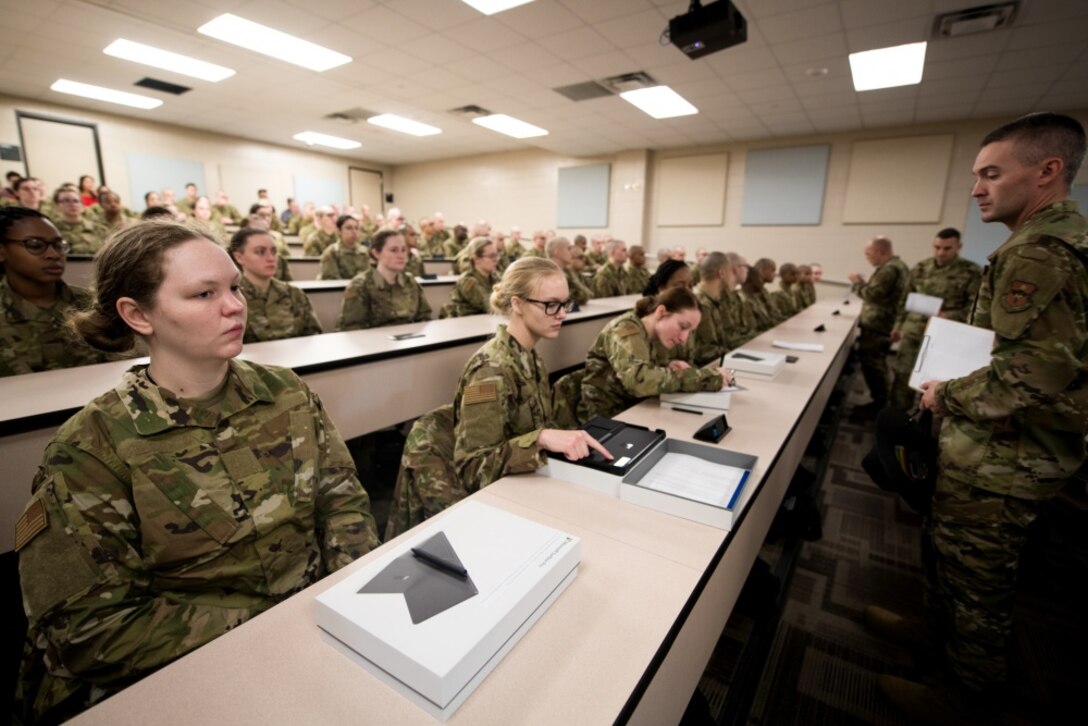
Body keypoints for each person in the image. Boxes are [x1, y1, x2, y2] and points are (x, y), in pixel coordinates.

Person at [14, 221, 380, 722]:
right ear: (138, 314)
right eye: (204, 294)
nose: (234, 306)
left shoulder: (285, 391)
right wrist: (273, 626)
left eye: (234, 287)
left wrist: (352, 597)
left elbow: (342, 502)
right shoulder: (91, 447)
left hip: (319, 631)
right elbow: (85, 631)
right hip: (196, 669)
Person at [871, 113, 1088, 723]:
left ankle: (964, 695)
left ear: (1047, 172)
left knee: (978, 582)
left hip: (1005, 456)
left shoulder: (1042, 253)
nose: (976, 189)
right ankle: (934, 639)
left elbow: (1034, 374)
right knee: (952, 558)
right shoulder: (1040, 243)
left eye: (991, 174)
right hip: (999, 447)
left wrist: (948, 394)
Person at [454, 257, 611, 490]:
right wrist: (539, 439)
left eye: (564, 304)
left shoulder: (530, 357)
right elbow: (472, 468)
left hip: (528, 480)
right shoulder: (490, 371)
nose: (562, 314)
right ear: (517, 304)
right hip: (501, 494)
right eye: (550, 304)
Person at [579, 286, 733, 421]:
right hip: (607, 416)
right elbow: (639, 381)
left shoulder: (656, 336)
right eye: (682, 326)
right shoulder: (625, 329)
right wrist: (706, 377)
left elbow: (641, 366)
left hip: (635, 408)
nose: (684, 339)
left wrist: (666, 365)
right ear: (661, 312)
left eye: (690, 331)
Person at [0, 207, 112, 376]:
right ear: (2, 251)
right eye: (35, 245)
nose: (53, 254)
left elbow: (124, 369)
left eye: (59, 245)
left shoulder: (93, 305)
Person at [888, 228, 982, 410]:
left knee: (935, 383)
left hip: (945, 335)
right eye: (937, 247)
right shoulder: (921, 268)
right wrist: (898, 325)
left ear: (958, 247)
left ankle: (924, 425)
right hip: (914, 332)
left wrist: (950, 315)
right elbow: (905, 299)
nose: (941, 252)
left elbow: (976, 307)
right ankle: (898, 418)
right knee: (902, 375)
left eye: (947, 248)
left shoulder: (971, 272)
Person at [848, 236, 910, 416]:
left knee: (874, 365)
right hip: (884, 323)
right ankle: (882, 403)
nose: (867, 258)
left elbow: (873, 294)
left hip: (878, 325)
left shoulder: (889, 269)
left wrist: (857, 282)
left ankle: (880, 405)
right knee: (877, 364)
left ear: (879, 251)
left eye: (868, 254)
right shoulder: (899, 266)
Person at [229, 227, 321, 342]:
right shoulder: (231, 297)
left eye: (274, 251)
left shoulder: (294, 293)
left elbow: (313, 335)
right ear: (239, 257)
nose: (271, 258)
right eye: (260, 252)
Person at [337, 228, 431, 330]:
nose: (401, 256)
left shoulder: (410, 282)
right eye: (394, 250)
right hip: (375, 344)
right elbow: (352, 328)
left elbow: (424, 318)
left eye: (404, 250)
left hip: (410, 341)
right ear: (376, 253)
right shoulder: (360, 285)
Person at [691, 251, 746, 365]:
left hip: (718, 361)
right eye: (731, 272)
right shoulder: (700, 303)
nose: (733, 276)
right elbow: (705, 350)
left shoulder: (716, 300)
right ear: (721, 273)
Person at [442, 237, 501, 318]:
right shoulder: (468, 281)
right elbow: (490, 306)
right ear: (476, 259)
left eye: (496, 255)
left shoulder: (494, 277)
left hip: (488, 321)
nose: (496, 260)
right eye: (491, 256)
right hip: (470, 326)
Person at [50, 186, 106, 254]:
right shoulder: (50, 231)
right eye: (66, 201)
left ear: (82, 204)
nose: (72, 204)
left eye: (76, 201)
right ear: (57, 205)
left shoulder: (100, 229)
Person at [319, 214, 370, 280]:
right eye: (349, 228)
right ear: (338, 231)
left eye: (356, 228)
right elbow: (332, 280)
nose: (354, 232)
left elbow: (368, 277)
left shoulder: (364, 251)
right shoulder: (331, 252)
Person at [547, 236, 593, 305]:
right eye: (568, 248)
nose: (571, 252)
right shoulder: (547, 273)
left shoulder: (567, 271)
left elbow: (586, 295)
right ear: (557, 252)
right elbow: (568, 299)